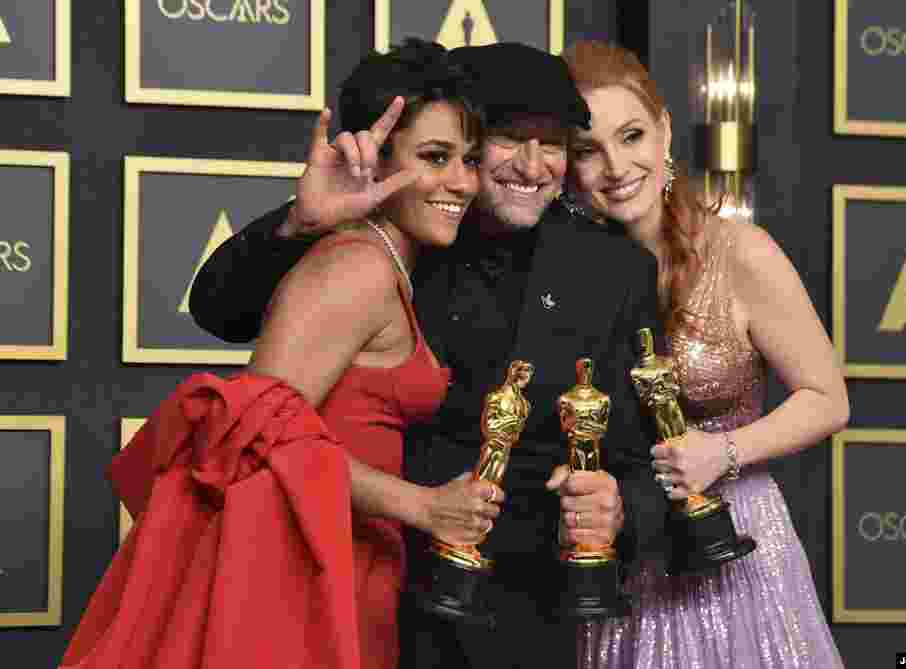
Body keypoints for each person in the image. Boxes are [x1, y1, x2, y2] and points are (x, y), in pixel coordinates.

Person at [187, 42, 666, 669]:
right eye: (506, 139)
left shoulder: (613, 270)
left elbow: (644, 455)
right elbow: (220, 311)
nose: (533, 166)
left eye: (554, 144)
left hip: (526, 617)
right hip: (372, 587)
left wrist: (621, 506)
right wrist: (300, 222)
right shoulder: (411, 222)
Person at [61, 39, 497, 669]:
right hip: (300, 572)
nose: (462, 181)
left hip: (348, 558)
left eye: (470, 159)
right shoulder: (356, 267)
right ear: (373, 160)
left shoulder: (399, 261)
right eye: (434, 157)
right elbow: (249, 434)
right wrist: (422, 505)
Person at [562, 40, 848, 668]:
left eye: (631, 134)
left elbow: (829, 400)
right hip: (623, 551)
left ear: (664, 132)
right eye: (588, 149)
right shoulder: (564, 276)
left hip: (735, 536)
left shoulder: (740, 252)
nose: (616, 165)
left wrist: (723, 450)